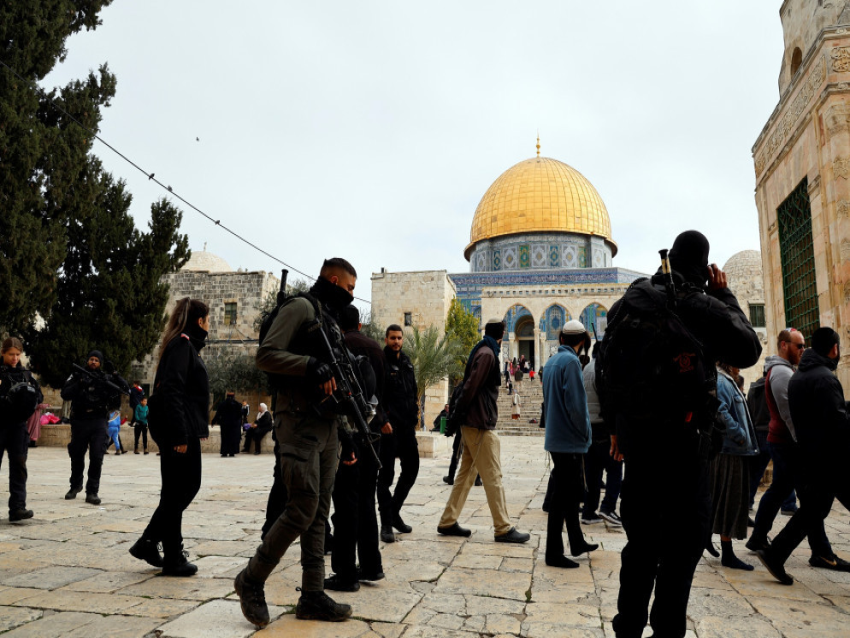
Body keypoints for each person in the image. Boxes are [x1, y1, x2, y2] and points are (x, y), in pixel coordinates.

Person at [607, 231, 761, 638]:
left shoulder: (630, 302)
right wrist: (724, 295)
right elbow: (748, 349)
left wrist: (619, 430)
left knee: (640, 548)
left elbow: (610, 373)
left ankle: (627, 629)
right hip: (685, 453)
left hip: (641, 449)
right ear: (702, 266)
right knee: (680, 552)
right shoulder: (697, 304)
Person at [234, 258, 358, 629]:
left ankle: (312, 594)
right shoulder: (301, 307)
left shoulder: (328, 319)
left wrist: (349, 432)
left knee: (320, 511)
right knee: (302, 507)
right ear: (333, 280)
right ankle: (251, 579)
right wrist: (309, 366)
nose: (351, 296)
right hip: (298, 422)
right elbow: (266, 355)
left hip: (327, 425)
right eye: (349, 288)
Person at [758, 327, 850, 584]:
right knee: (811, 510)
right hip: (831, 460)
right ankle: (776, 553)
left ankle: (776, 553)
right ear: (834, 348)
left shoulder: (799, 377)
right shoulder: (825, 378)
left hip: (812, 457)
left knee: (811, 511)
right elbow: (837, 424)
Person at [129, 297, 210, 577]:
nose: (209, 325)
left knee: (175, 491)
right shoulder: (182, 345)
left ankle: (166, 550)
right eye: (208, 320)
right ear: (200, 321)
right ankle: (154, 544)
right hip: (179, 429)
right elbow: (172, 390)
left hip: (183, 427)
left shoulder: (184, 346)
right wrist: (179, 434)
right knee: (185, 487)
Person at [437, 318, 530, 543]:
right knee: (492, 475)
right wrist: (459, 415)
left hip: (473, 421)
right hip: (479, 423)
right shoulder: (488, 354)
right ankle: (503, 527)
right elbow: (471, 387)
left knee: (466, 475)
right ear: (502, 336)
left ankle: (448, 520)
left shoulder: (482, 350)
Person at [324, 304, 386, 592]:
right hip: (372, 437)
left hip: (349, 438)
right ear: (360, 325)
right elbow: (381, 393)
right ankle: (372, 566)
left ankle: (346, 572)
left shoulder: (336, 349)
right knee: (367, 504)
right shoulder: (375, 348)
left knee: (345, 508)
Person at [543, 321, 598, 567]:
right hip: (569, 440)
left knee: (568, 494)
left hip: (555, 438)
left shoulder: (553, 362)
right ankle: (553, 553)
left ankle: (576, 541)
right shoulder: (572, 363)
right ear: (582, 341)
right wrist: (586, 434)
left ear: (562, 338)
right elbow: (577, 407)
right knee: (562, 498)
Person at [706, 362, 759, 570]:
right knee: (730, 502)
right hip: (731, 451)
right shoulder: (722, 381)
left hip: (732, 450)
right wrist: (739, 434)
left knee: (721, 500)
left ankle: (707, 537)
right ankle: (727, 555)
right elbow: (721, 411)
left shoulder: (726, 380)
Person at [61, 349, 129, 505]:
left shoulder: (105, 378)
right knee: (77, 455)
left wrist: (115, 374)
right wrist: (79, 384)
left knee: (97, 456)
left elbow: (125, 389)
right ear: (87, 361)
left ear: (100, 363)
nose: (93, 362)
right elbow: (65, 394)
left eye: (96, 360)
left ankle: (92, 491)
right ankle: (75, 485)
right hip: (80, 419)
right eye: (91, 359)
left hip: (98, 420)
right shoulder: (77, 375)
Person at [377, 325, 420, 543]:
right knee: (386, 476)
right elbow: (375, 396)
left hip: (406, 428)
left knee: (412, 469)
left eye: (399, 338)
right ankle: (386, 523)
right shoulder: (380, 363)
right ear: (386, 339)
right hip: (388, 429)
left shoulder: (407, 362)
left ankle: (393, 512)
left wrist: (416, 413)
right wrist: (382, 420)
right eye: (392, 338)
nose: (396, 341)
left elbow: (412, 390)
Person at [0, 337, 42, 521]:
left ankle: (17, 508)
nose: (15, 358)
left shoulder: (26, 375)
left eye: (18, 354)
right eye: (11, 354)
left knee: (19, 465)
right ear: (3, 353)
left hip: (18, 426)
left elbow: (38, 397)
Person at [581, 344, 622, 527]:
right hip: (604, 428)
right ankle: (608, 507)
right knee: (614, 467)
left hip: (588, 427)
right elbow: (608, 401)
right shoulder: (605, 370)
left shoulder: (587, 368)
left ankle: (589, 511)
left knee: (593, 472)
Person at [212, 391, 242, 457]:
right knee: (232, 438)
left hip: (224, 424)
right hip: (233, 425)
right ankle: (232, 452)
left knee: (225, 438)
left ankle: (224, 452)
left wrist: (214, 421)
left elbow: (218, 414)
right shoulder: (237, 404)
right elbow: (239, 415)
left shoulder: (222, 404)